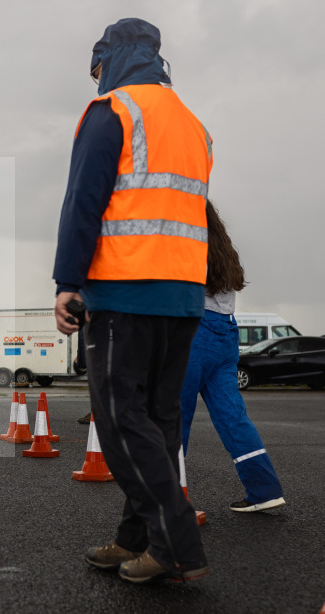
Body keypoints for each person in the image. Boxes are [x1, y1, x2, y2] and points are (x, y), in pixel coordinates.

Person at [53, 18, 213, 583]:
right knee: (159, 422)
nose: (94, 79)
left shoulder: (113, 112)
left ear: (110, 58)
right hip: (185, 294)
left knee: (121, 421)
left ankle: (176, 547)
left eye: (95, 66)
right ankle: (135, 539)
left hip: (126, 288)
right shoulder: (191, 123)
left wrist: (67, 282)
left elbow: (83, 202)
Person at [180, 202, 285, 513]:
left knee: (173, 418)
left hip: (192, 333)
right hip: (225, 334)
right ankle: (264, 489)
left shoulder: (186, 243)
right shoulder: (224, 251)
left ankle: (167, 501)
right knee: (233, 418)